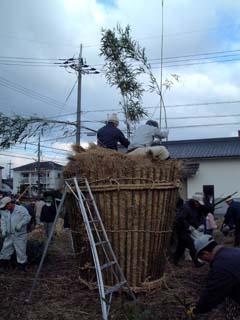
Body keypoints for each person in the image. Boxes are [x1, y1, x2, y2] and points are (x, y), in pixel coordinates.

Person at [186, 234, 240, 318]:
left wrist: (197, 309)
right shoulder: (233, 251)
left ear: (205, 253)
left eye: (201, 257)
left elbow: (213, 293)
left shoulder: (222, 266)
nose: (204, 261)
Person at [173, 193, 205, 267]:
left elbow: (199, 217)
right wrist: (188, 226)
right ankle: (196, 263)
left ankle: (175, 261)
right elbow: (179, 218)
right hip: (183, 230)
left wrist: (200, 224)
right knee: (192, 246)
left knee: (181, 247)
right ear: (194, 201)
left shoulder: (196, 208)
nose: (199, 205)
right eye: (198, 203)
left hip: (190, 230)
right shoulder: (186, 208)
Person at [0, 196, 31, 272]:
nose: (5, 208)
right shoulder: (5, 211)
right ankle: (3, 266)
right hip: (9, 235)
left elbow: (27, 218)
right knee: (5, 250)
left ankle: (22, 268)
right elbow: (3, 221)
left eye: (6, 206)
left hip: (19, 235)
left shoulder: (21, 209)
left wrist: (20, 224)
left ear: (10, 203)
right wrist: (3, 230)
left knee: (21, 251)